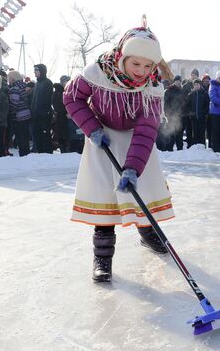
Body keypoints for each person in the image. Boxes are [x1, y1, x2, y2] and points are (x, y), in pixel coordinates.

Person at [63, 23, 176, 282]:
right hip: (102, 137)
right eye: (136, 64)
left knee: (143, 192)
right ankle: (102, 259)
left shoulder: (152, 87)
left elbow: (147, 129)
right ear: (123, 57)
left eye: (149, 66)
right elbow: (72, 98)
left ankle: (148, 235)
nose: (142, 72)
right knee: (104, 196)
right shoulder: (96, 73)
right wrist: (91, 129)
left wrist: (134, 168)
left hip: (137, 140)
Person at [7, 70, 32, 156]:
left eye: (9, 78)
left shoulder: (14, 88)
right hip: (27, 114)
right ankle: (26, 152)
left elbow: (14, 103)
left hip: (19, 116)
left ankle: (23, 153)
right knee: (25, 135)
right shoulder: (23, 86)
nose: (8, 80)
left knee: (20, 136)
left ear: (13, 79)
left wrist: (10, 113)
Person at [31, 64, 54, 153]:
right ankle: (40, 154)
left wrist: (45, 112)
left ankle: (47, 154)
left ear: (42, 71)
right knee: (37, 135)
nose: (34, 72)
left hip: (44, 114)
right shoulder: (37, 84)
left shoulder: (47, 82)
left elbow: (48, 99)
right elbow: (34, 100)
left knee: (45, 136)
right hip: (36, 115)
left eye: (36, 70)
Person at [185, 79, 210, 146]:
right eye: (195, 85)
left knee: (202, 132)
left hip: (202, 116)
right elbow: (187, 105)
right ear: (193, 86)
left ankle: (202, 145)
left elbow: (207, 104)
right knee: (195, 132)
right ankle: (195, 145)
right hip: (194, 117)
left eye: (198, 84)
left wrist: (205, 113)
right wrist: (190, 113)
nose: (196, 86)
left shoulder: (204, 93)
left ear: (200, 85)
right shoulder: (191, 94)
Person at [53, 76, 71, 153]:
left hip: (68, 116)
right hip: (61, 116)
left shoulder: (70, 90)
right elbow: (56, 104)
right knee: (61, 134)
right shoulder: (58, 91)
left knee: (68, 134)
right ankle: (63, 150)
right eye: (66, 81)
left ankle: (68, 149)